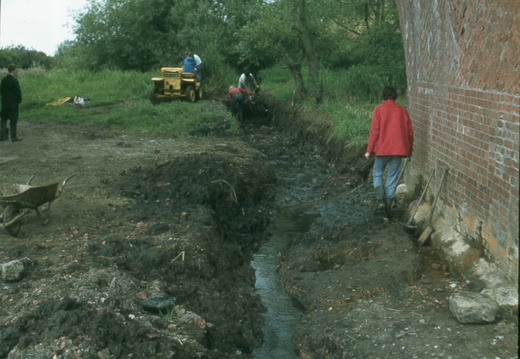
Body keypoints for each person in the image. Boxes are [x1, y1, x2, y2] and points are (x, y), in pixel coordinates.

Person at [365, 85, 413, 217]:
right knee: (392, 177)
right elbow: (409, 133)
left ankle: (380, 200)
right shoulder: (402, 111)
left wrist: (369, 150)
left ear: (383, 95)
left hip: (382, 149)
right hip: (398, 150)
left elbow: (374, 132)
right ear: (395, 96)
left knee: (378, 173)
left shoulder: (378, 110)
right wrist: (409, 150)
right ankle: (388, 205)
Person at [1, 64, 23, 142]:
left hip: (4, 103)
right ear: (12, 70)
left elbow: (1, 92)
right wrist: (19, 100)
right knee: (13, 120)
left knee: (3, 119)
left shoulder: (3, 80)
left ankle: (3, 136)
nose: (17, 71)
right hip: (13, 104)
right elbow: (17, 92)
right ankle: (13, 137)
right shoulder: (14, 80)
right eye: (16, 70)